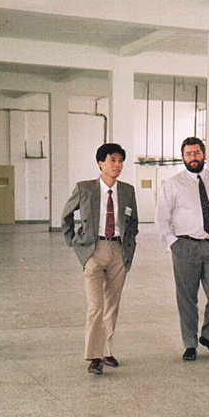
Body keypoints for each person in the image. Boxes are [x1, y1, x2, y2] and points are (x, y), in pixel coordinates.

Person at [155, 137, 209, 361]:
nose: (193, 157)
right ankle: (190, 343)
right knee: (187, 298)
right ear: (183, 157)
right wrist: (173, 242)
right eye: (189, 154)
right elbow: (162, 217)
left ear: (204, 154)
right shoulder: (172, 184)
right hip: (186, 247)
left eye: (197, 153)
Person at [62, 143, 139, 375]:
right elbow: (66, 215)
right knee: (95, 306)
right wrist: (75, 242)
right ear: (100, 163)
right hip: (93, 250)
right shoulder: (85, 188)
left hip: (118, 251)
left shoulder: (127, 191)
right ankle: (94, 356)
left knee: (112, 305)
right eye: (112, 160)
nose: (118, 165)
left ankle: (107, 350)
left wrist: (128, 248)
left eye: (120, 160)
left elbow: (133, 223)